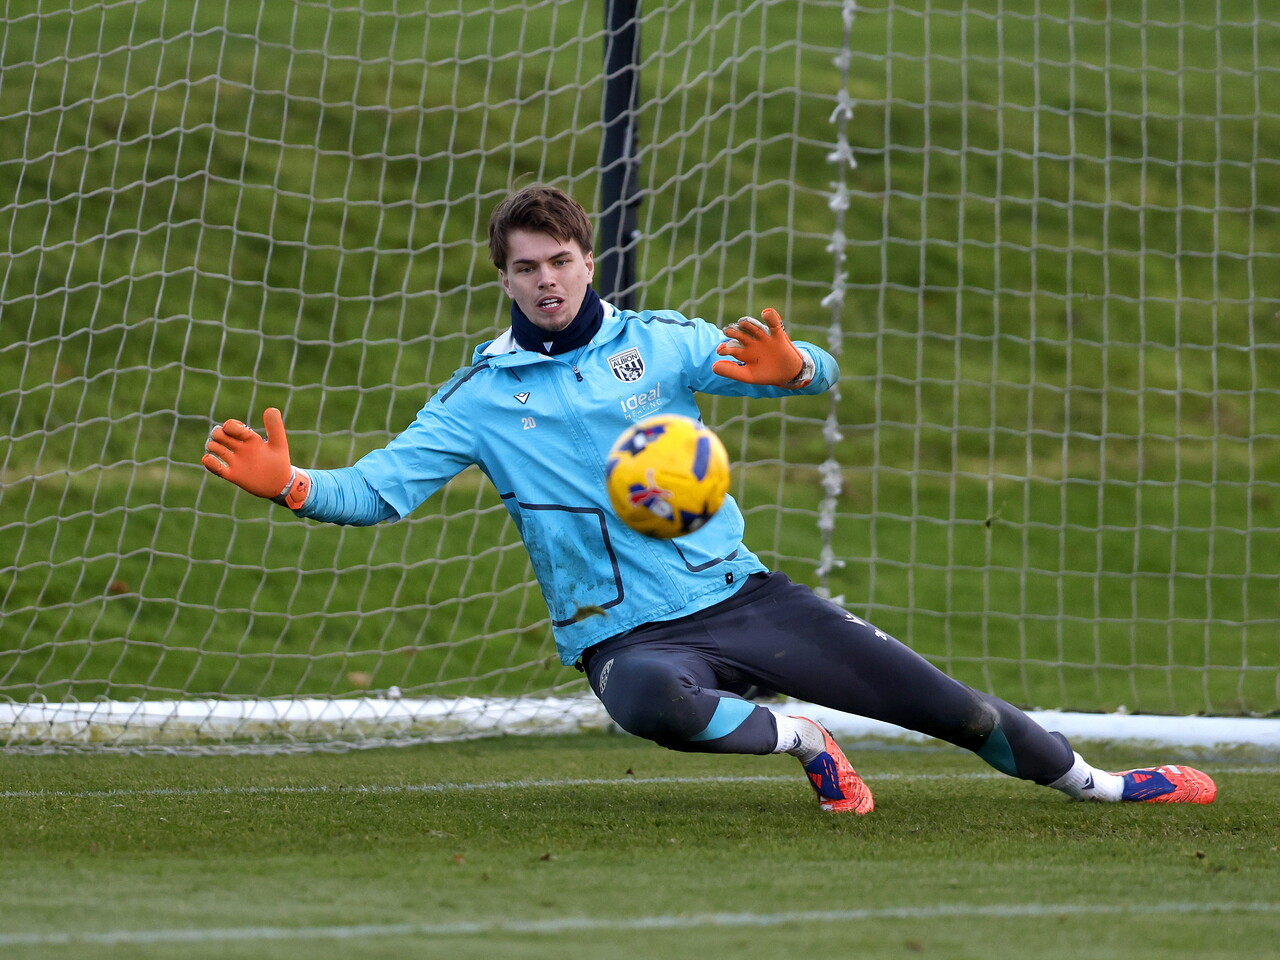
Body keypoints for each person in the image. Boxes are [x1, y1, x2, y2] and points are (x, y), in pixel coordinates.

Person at [202, 185, 1217, 813]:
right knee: (644, 703)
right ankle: (805, 742)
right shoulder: (477, 399)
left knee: (947, 707)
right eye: (525, 269)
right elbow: (377, 491)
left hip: (745, 597)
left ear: (586, 261)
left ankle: (1096, 784)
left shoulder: (663, 344)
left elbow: (810, 371)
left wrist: (794, 367)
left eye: (559, 262)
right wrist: (291, 485)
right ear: (503, 281)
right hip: (626, 636)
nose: (546, 281)